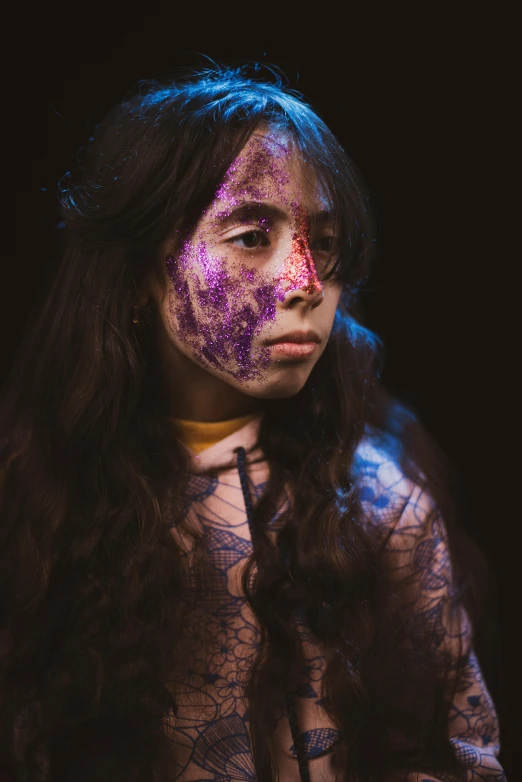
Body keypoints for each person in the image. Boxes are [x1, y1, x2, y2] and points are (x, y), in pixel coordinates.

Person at [0, 66, 505, 782]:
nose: (306, 281)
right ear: (142, 270)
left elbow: (456, 758)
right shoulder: (33, 495)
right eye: (249, 235)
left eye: (324, 243)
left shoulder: (381, 505)